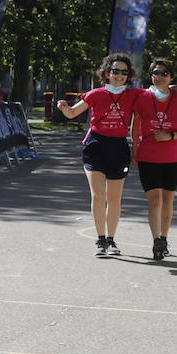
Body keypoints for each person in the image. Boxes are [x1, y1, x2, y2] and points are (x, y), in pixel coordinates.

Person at [56, 53, 143, 256]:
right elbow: (72, 113)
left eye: (124, 72)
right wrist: (63, 108)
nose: (119, 75)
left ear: (128, 75)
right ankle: (100, 240)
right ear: (106, 73)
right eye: (115, 71)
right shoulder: (95, 94)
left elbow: (159, 91)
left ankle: (111, 240)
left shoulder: (134, 95)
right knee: (98, 195)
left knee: (114, 198)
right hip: (95, 145)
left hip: (119, 148)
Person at [131, 59, 177, 261]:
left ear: (171, 76)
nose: (158, 76)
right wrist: (134, 150)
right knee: (155, 199)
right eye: (155, 73)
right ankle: (157, 241)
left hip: (174, 156)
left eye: (163, 73)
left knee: (168, 199)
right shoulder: (142, 97)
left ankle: (164, 237)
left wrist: (171, 136)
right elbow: (135, 126)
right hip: (148, 155)